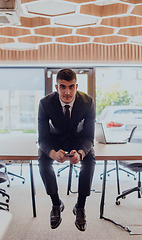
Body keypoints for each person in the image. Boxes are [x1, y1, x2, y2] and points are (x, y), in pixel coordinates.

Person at [38, 68, 95, 231]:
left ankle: (80, 206)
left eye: (71, 87)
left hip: (78, 140)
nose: (67, 92)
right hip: (55, 140)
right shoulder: (45, 103)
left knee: (90, 160)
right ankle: (56, 203)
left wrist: (82, 152)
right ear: (56, 88)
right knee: (42, 161)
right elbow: (42, 138)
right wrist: (52, 153)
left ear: (76, 86)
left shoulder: (87, 102)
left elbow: (89, 137)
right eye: (63, 87)